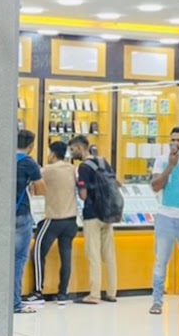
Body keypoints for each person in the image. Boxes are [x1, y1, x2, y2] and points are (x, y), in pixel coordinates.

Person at [26, 140, 78, 307]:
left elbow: (35, 188)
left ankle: (37, 292)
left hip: (53, 218)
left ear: (53, 154)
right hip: (71, 220)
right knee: (66, 256)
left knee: (37, 252)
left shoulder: (47, 170)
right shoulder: (72, 169)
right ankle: (63, 294)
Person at [150, 126, 179, 315]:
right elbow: (155, 186)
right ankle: (157, 301)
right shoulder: (161, 160)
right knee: (161, 261)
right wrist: (170, 166)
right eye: (172, 140)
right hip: (165, 217)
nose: (175, 143)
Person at [73, 134, 118, 305]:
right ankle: (112, 292)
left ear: (80, 148)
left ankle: (94, 294)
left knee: (93, 254)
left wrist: (78, 185)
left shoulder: (84, 167)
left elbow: (83, 196)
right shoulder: (103, 161)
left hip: (92, 215)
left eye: (73, 149)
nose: (72, 153)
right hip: (109, 213)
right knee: (109, 255)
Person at [14, 129, 44, 315]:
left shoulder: (5, 158)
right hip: (21, 215)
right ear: (31, 145)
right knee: (18, 259)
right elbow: (41, 189)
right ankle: (15, 303)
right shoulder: (29, 163)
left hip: (2, 216)